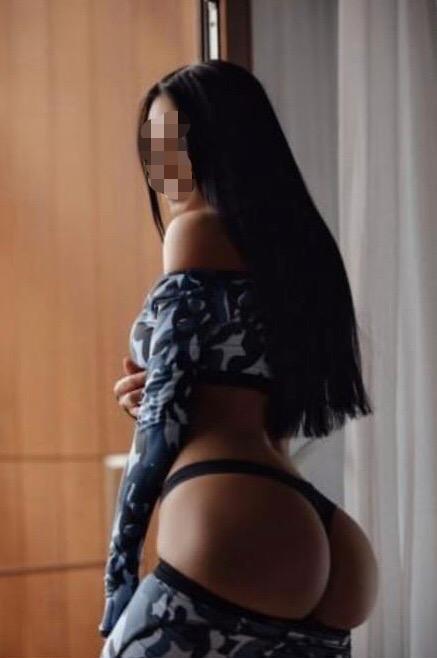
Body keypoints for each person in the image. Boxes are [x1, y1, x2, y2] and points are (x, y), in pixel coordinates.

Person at [98, 60, 378, 657]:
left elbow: (165, 416)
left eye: (171, 140)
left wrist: (119, 572)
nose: (157, 162)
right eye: (150, 144)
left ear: (219, 142)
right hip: (317, 530)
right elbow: (258, 404)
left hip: (231, 514)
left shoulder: (194, 229)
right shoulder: (299, 250)